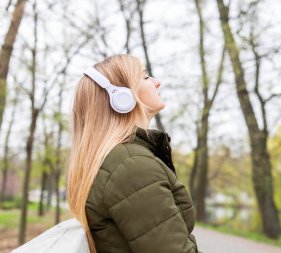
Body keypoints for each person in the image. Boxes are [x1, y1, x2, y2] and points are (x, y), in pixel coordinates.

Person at [66, 54, 201, 253]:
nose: (157, 82)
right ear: (120, 97)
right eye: (146, 77)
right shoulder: (131, 166)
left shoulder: (120, 161)